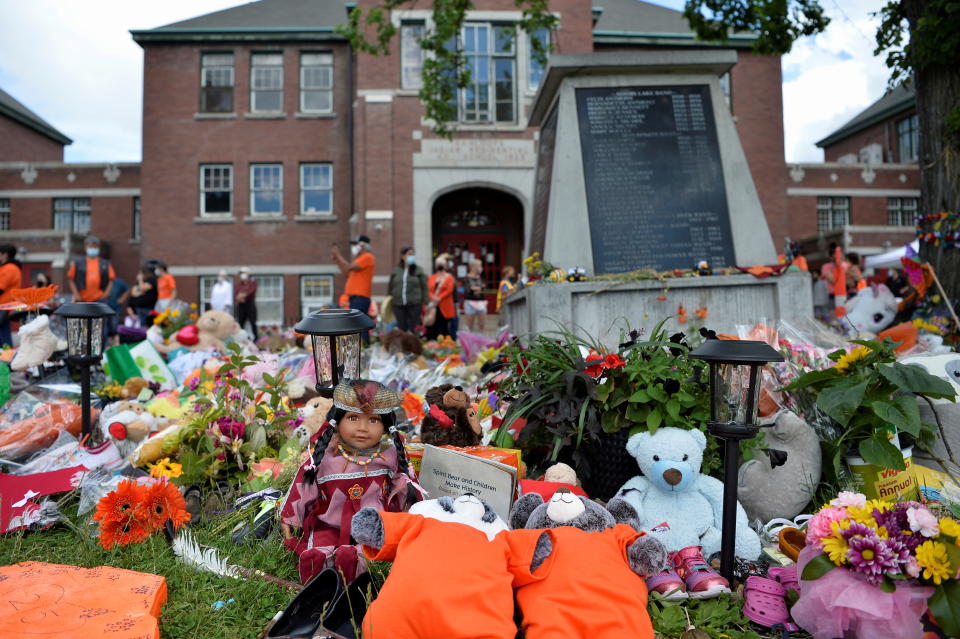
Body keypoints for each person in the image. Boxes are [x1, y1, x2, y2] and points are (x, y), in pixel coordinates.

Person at [278, 379, 420, 583]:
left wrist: (406, 519)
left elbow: (406, 491)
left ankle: (352, 565)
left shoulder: (390, 457)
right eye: (353, 418)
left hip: (372, 525)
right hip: (328, 524)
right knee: (318, 548)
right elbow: (303, 488)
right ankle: (319, 570)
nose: (363, 428)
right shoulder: (324, 457)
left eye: (373, 420)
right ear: (337, 421)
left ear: (386, 425)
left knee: (364, 551)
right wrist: (289, 522)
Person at [333, 235, 375, 343]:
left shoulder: (367, 257)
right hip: (356, 297)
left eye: (356, 244)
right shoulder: (359, 260)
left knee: (358, 324)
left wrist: (338, 255)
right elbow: (346, 272)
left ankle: (364, 346)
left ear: (362, 246)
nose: (354, 247)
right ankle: (362, 346)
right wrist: (337, 259)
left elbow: (348, 267)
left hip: (360, 297)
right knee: (356, 324)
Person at [387, 246, 427, 333]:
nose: (412, 256)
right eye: (409, 254)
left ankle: (415, 344)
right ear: (402, 256)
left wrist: (426, 302)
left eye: (413, 254)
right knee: (401, 328)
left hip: (414, 304)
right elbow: (390, 286)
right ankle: (403, 346)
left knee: (415, 328)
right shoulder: (396, 270)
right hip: (398, 304)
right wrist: (389, 300)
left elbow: (424, 287)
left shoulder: (418, 270)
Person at [68, 236, 115, 303]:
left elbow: (112, 279)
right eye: (90, 246)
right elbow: (70, 279)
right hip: (82, 298)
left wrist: (106, 294)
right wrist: (76, 294)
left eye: (95, 246)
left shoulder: (105, 264)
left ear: (99, 248)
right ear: (85, 247)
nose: (93, 248)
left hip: (99, 299)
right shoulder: (78, 263)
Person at [425, 256, 455, 341]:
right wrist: (433, 297)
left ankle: (445, 346)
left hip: (444, 306)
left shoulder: (449, 277)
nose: (439, 266)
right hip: (433, 306)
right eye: (438, 264)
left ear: (445, 265)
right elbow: (428, 289)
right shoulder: (432, 277)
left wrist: (439, 298)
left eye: (441, 264)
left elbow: (449, 290)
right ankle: (432, 343)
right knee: (432, 326)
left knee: (444, 327)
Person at [0, 244, 22, 347]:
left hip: (3, 306)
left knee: (3, 336)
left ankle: (5, 359)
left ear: (5, 255)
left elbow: (1, 287)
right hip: (6, 306)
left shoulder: (9, 268)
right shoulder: (10, 268)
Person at [462, 258, 488, 333]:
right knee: (469, 326)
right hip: (470, 302)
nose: (481, 268)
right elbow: (469, 289)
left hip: (481, 302)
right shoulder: (467, 277)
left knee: (482, 325)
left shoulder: (481, 277)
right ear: (474, 267)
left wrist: (476, 289)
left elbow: (483, 288)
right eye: (480, 266)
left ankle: (481, 341)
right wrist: (478, 288)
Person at [235, 266, 258, 341]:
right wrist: (239, 297)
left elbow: (251, 291)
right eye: (241, 273)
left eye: (243, 273)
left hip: (250, 304)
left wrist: (242, 295)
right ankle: (243, 339)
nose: (242, 274)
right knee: (241, 322)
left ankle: (256, 339)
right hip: (241, 306)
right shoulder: (239, 284)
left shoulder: (252, 283)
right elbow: (236, 293)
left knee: (253, 323)